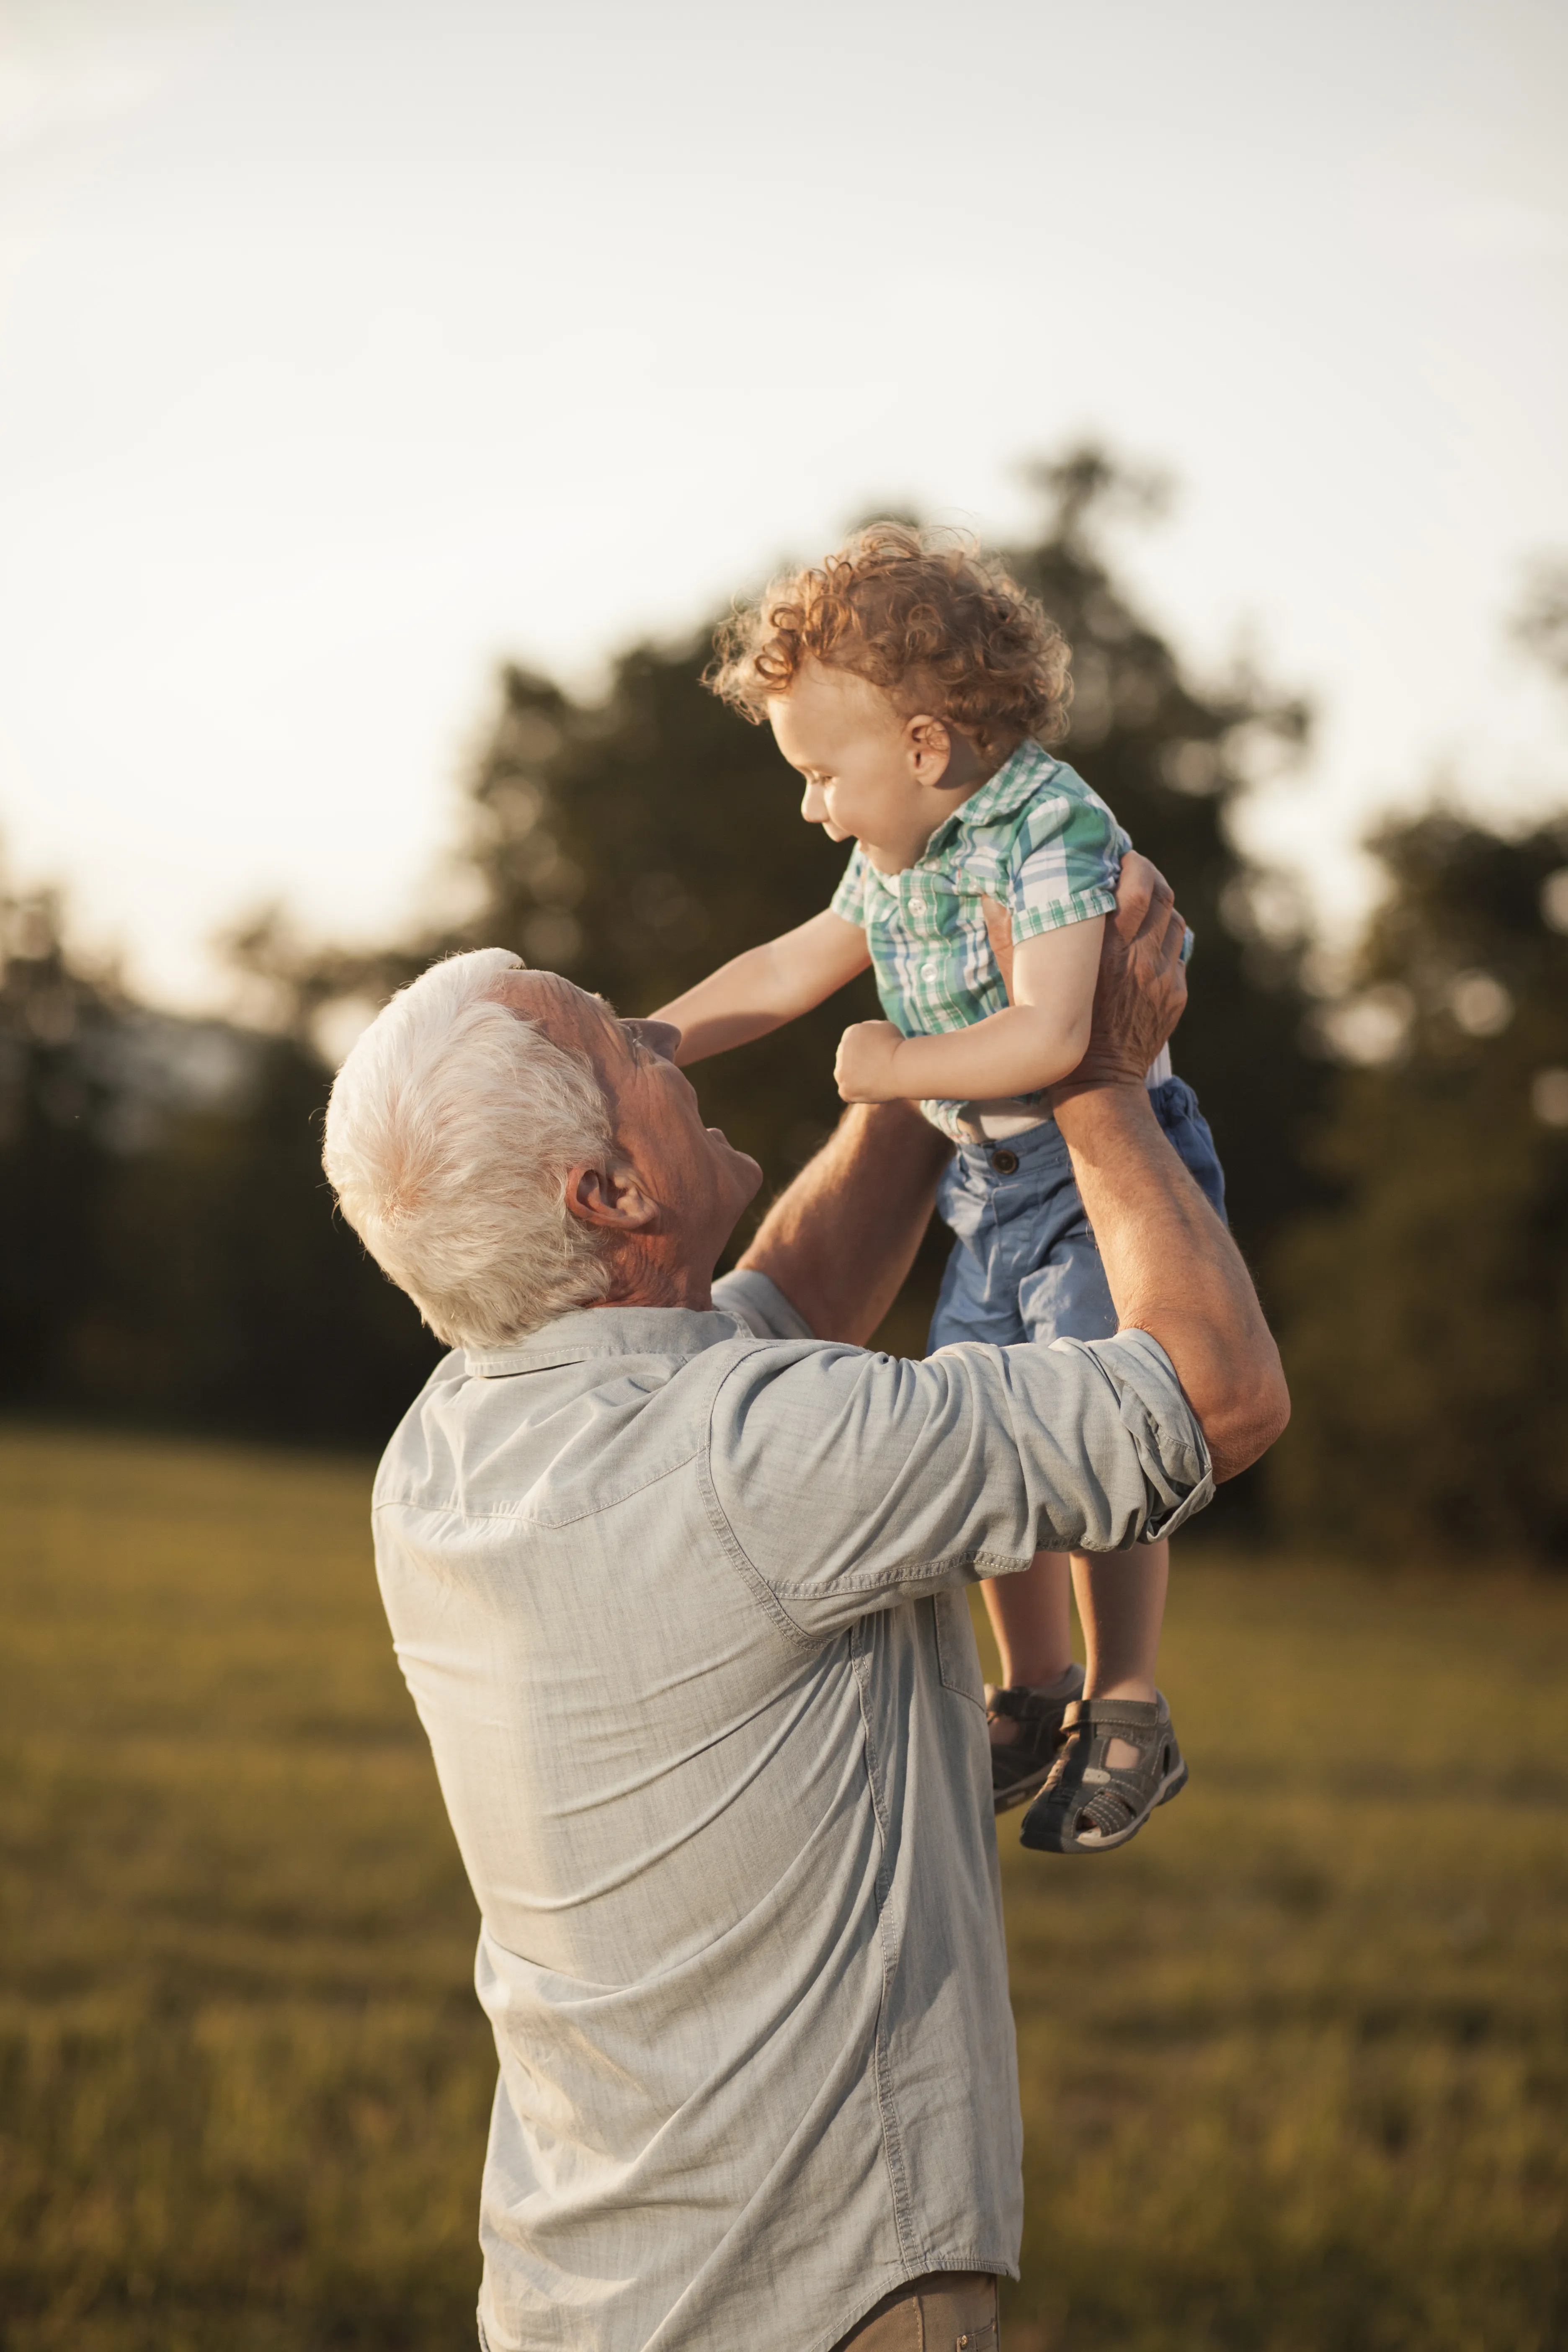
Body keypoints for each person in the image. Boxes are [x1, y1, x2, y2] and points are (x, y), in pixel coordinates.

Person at [321, 861, 1286, 2352]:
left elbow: (788, 1296)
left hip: (574, 2294)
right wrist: (1096, 1074)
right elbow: (1214, 1395)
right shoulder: (753, 1459)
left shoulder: (448, 1451)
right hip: (822, 2298)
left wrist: (956, 1010)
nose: (663, 1039)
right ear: (613, 1191)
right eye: (621, 1046)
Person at [648, 524, 1228, 1846]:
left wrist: (896, 1065)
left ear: (922, 746)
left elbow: (1059, 1037)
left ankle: (1129, 1696)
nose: (813, 807)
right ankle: (1034, 1684)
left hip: (1093, 1178)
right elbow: (790, 968)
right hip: (988, 1184)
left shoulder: (1051, 830)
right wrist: (653, 1037)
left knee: (1101, 1416)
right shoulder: (899, 855)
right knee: (987, 1421)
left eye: (819, 773)